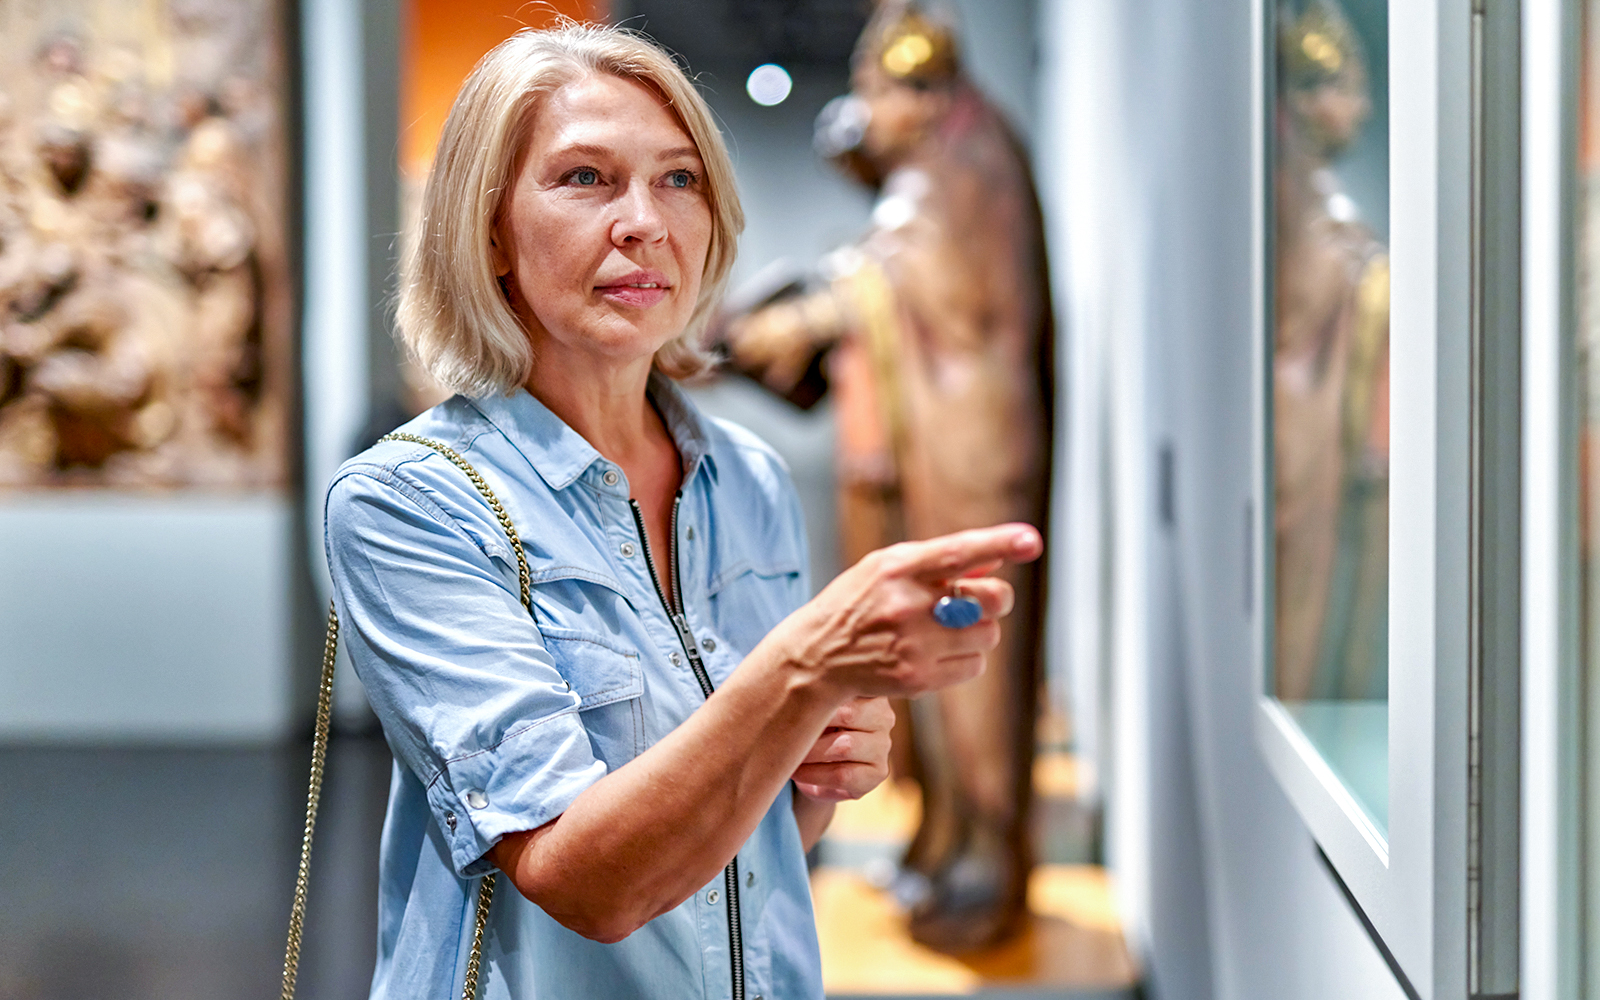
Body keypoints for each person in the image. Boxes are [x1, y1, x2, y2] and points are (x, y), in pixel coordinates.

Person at [323, 21, 1042, 1000]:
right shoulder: (411, 504)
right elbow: (588, 881)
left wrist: (822, 766)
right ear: (486, 228)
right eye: (584, 179)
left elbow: (756, 848)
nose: (644, 222)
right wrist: (805, 670)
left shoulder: (743, 478)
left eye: (678, 179)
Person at [716, 1, 1052, 952]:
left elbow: (903, 283)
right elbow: (881, 268)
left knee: (972, 670)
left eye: (878, 91)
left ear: (927, 93)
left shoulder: (966, 167)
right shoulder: (927, 177)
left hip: (971, 458)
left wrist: (813, 315)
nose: (864, 113)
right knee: (926, 660)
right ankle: (946, 834)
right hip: (929, 449)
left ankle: (986, 853)